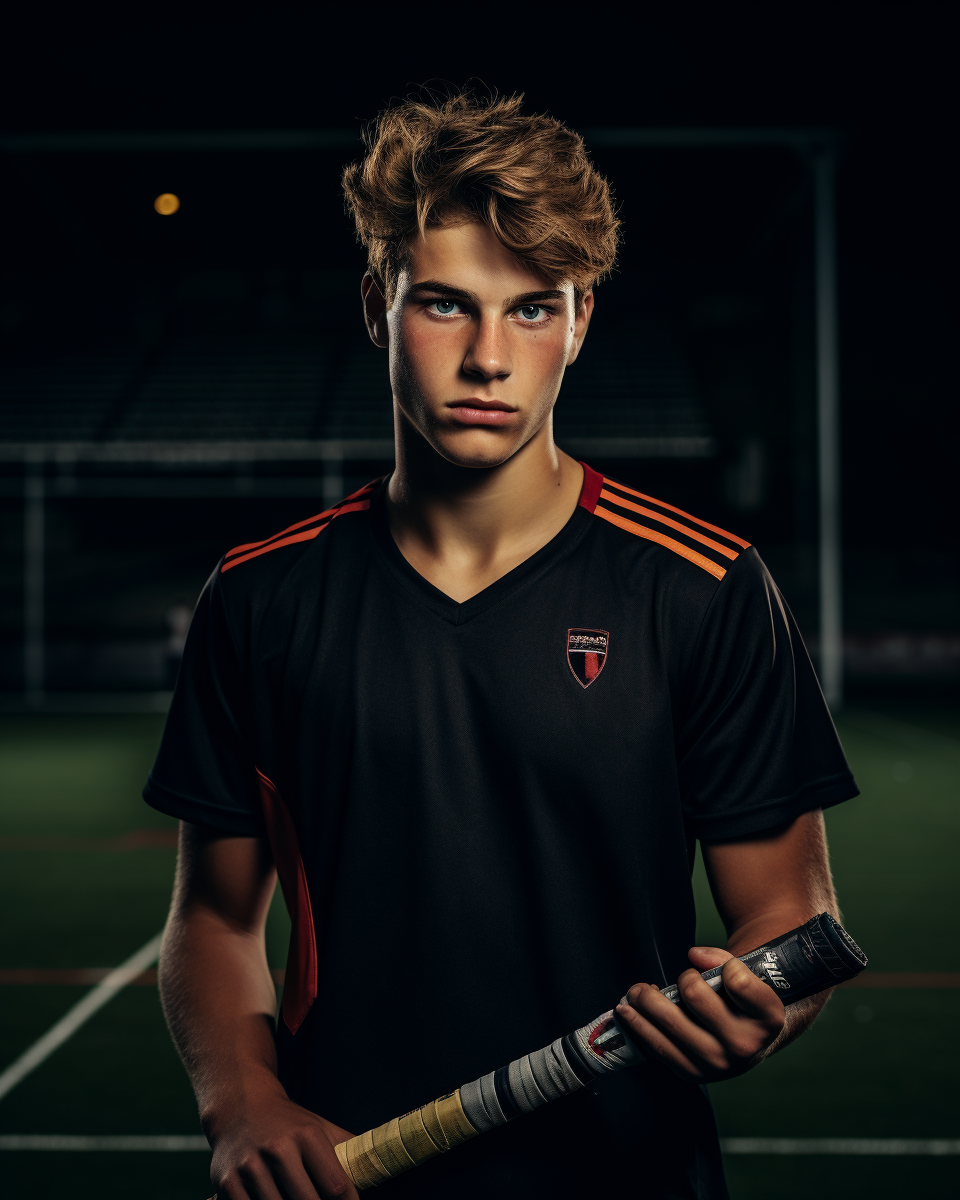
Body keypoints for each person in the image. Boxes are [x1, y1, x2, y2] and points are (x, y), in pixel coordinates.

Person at [145, 92, 858, 1200]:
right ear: (378, 304)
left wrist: (765, 998)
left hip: (633, 1175)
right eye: (445, 304)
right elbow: (216, 915)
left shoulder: (705, 587)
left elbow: (791, 912)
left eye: (533, 311)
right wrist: (244, 1102)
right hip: (351, 1173)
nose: (489, 357)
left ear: (580, 324)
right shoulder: (260, 596)